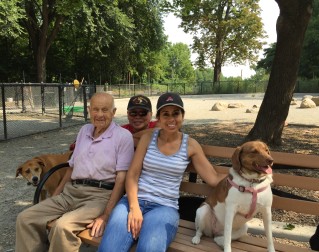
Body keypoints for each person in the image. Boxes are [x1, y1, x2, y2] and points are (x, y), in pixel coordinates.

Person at [98, 92, 227, 252]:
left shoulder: (190, 145)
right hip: (132, 202)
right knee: (109, 248)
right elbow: (132, 175)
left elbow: (213, 178)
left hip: (164, 207)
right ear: (158, 118)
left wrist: (250, 176)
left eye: (176, 113)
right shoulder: (148, 138)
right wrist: (134, 208)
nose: (171, 119)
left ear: (183, 116)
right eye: (165, 114)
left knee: (149, 248)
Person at [15, 92, 134, 252]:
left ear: (113, 112)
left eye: (105, 110)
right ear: (89, 110)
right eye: (96, 109)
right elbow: (71, 167)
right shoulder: (84, 130)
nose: (99, 115)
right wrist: (56, 194)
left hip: (99, 196)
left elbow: (121, 179)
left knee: (62, 226)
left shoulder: (123, 137)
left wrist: (105, 215)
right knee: (25, 218)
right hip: (70, 192)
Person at [69, 94, 157, 150]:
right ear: (127, 114)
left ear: (151, 114)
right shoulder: (121, 130)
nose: (138, 117)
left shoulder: (157, 126)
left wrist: (128, 139)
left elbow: (162, 130)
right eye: (133, 113)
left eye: (143, 113)